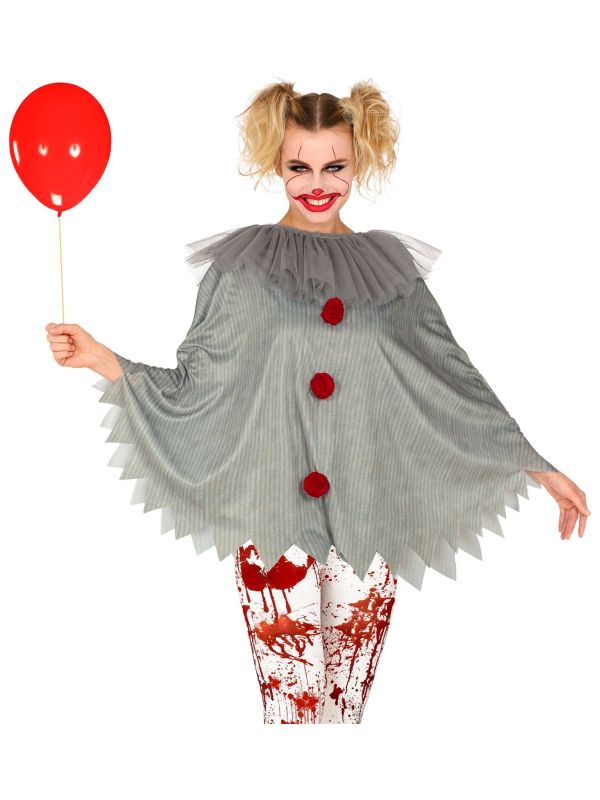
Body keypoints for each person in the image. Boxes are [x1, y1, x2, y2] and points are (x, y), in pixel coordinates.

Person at [44, 79, 591, 724]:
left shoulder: (389, 271)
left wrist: (535, 464)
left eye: (335, 166)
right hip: (275, 527)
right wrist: (101, 358)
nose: (317, 185)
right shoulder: (240, 269)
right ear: (276, 163)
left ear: (359, 162)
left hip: (369, 521)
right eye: (298, 167)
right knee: (294, 714)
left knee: (343, 715)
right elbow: (199, 384)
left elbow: (449, 375)